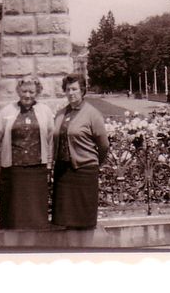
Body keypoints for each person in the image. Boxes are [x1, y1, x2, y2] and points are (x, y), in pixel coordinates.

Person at [0, 76, 55, 230]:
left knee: (35, 217)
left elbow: (51, 140)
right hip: (13, 170)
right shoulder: (7, 111)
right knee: (14, 217)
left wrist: (49, 165)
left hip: (37, 170)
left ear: (37, 92)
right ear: (18, 91)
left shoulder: (45, 111)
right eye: (24, 91)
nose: (27, 95)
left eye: (31, 92)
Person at [52, 73, 109, 230]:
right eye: (68, 89)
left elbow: (103, 145)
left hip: (84, 171)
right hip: (63, 172)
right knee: (65, 220)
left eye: (74, 89)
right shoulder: (60, 113)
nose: (71, 93)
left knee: (84, 221)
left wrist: (93, 163)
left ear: (82, 90)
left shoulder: (92, 114)